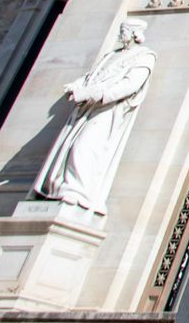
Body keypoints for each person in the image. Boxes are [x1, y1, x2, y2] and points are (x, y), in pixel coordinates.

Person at [33, 20, 156, 214]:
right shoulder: (110, 56)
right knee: (71, 146)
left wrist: (93, 94)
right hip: (86, 109)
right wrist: (77, 85)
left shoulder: (144, 56)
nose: (120, 35)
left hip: (108, 110)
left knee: (85, 147)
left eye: (124, 31)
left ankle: (77, 191)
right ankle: (64, 188)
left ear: (134, 34)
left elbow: (129, 86)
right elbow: (92, 76)